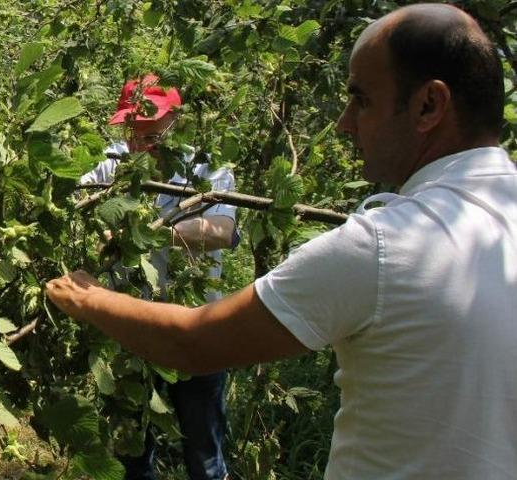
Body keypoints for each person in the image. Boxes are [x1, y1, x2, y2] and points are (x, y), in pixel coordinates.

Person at [48, 4, 516, 479]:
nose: (345, 124)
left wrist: (87, 297)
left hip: (170, 320)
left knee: (204, 456)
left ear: (428, 106)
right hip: (139, 322)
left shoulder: (384, 245)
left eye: (362, 100)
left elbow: (192, 340)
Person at [80, 75, 238, 480]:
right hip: (130, 328)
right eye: (132, 131)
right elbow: (72, 199)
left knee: (204, 456)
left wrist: (150, 231)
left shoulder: (209, 168)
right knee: (132, 453)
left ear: (175, 121)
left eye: (150, 133)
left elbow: (220, 231)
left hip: (197, 329)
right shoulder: (112, 162)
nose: (139, 142)